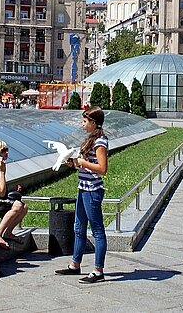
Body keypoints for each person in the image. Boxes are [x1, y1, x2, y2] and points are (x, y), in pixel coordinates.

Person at [55, 106, 109, 284]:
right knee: (79, 227)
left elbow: (102, 169)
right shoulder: (90, 139)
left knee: (97, 230)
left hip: (93, 190)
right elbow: (88, 164)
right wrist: (75, 164)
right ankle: (75, 264)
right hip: (83, 187)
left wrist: (82, 161)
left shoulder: (100, 141)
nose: (83, 124)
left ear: (94, 123)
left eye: (85, 121)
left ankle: (98, 270)